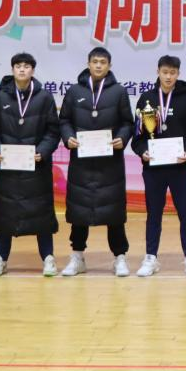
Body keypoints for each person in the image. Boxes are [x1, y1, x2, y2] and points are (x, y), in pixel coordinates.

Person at [59, 47, 134, 278]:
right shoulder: (74, 91)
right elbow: (64, 120)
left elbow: (127, 123)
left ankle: (119, 258)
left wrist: (122, 138)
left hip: (109, 163)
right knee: (79, 212)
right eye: (95, 61)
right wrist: (68, 137)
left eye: (103, 62)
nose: (99, 65)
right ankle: (77, 257)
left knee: (114, 212)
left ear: (109, 65)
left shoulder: (119, 91)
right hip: (81, 162)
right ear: (88, 64)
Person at [0, 53, 61, 277]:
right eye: (18, 66)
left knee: (42, 214)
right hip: (8, 167)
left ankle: (48, 258)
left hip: (36, 167)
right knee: (5, 213)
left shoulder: (44, 97)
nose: (22, 69)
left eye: (26, 66)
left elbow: (53, 131)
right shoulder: (0, 97)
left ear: (32, 71)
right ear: (12, 70)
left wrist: (43, 151)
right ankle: (1, 258)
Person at [130, 55, 186, 278]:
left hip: (180, 168)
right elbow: (137, 137)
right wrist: (142, 151)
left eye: (173, 73)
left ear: (178, 73)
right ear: (158, 72)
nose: (169, 76)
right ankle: (150, 257)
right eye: (165, 72)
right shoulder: (146, 99)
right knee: (154, 213)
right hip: (154, 169)